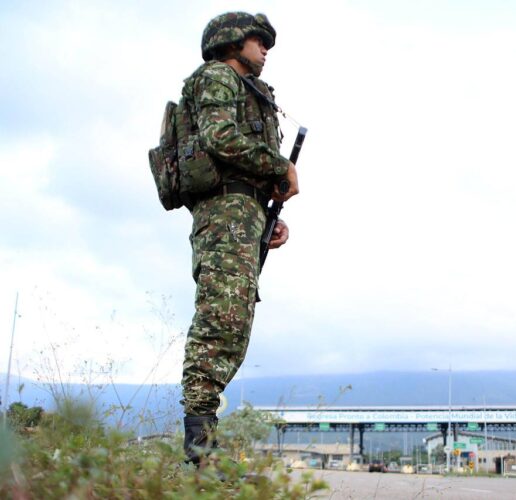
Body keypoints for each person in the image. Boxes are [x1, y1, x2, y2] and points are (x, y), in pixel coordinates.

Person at [180, 11, 299, 466]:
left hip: (243, 214)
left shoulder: (249, 89)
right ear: (232, 41)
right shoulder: (218, 77)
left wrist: (268, 213)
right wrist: (278, 167)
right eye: (258, 40)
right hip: (225, 212)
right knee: (219, 322)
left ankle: (204, 449)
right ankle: (199, 455)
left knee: (234, 326)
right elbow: (219, 136)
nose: (265, 48)